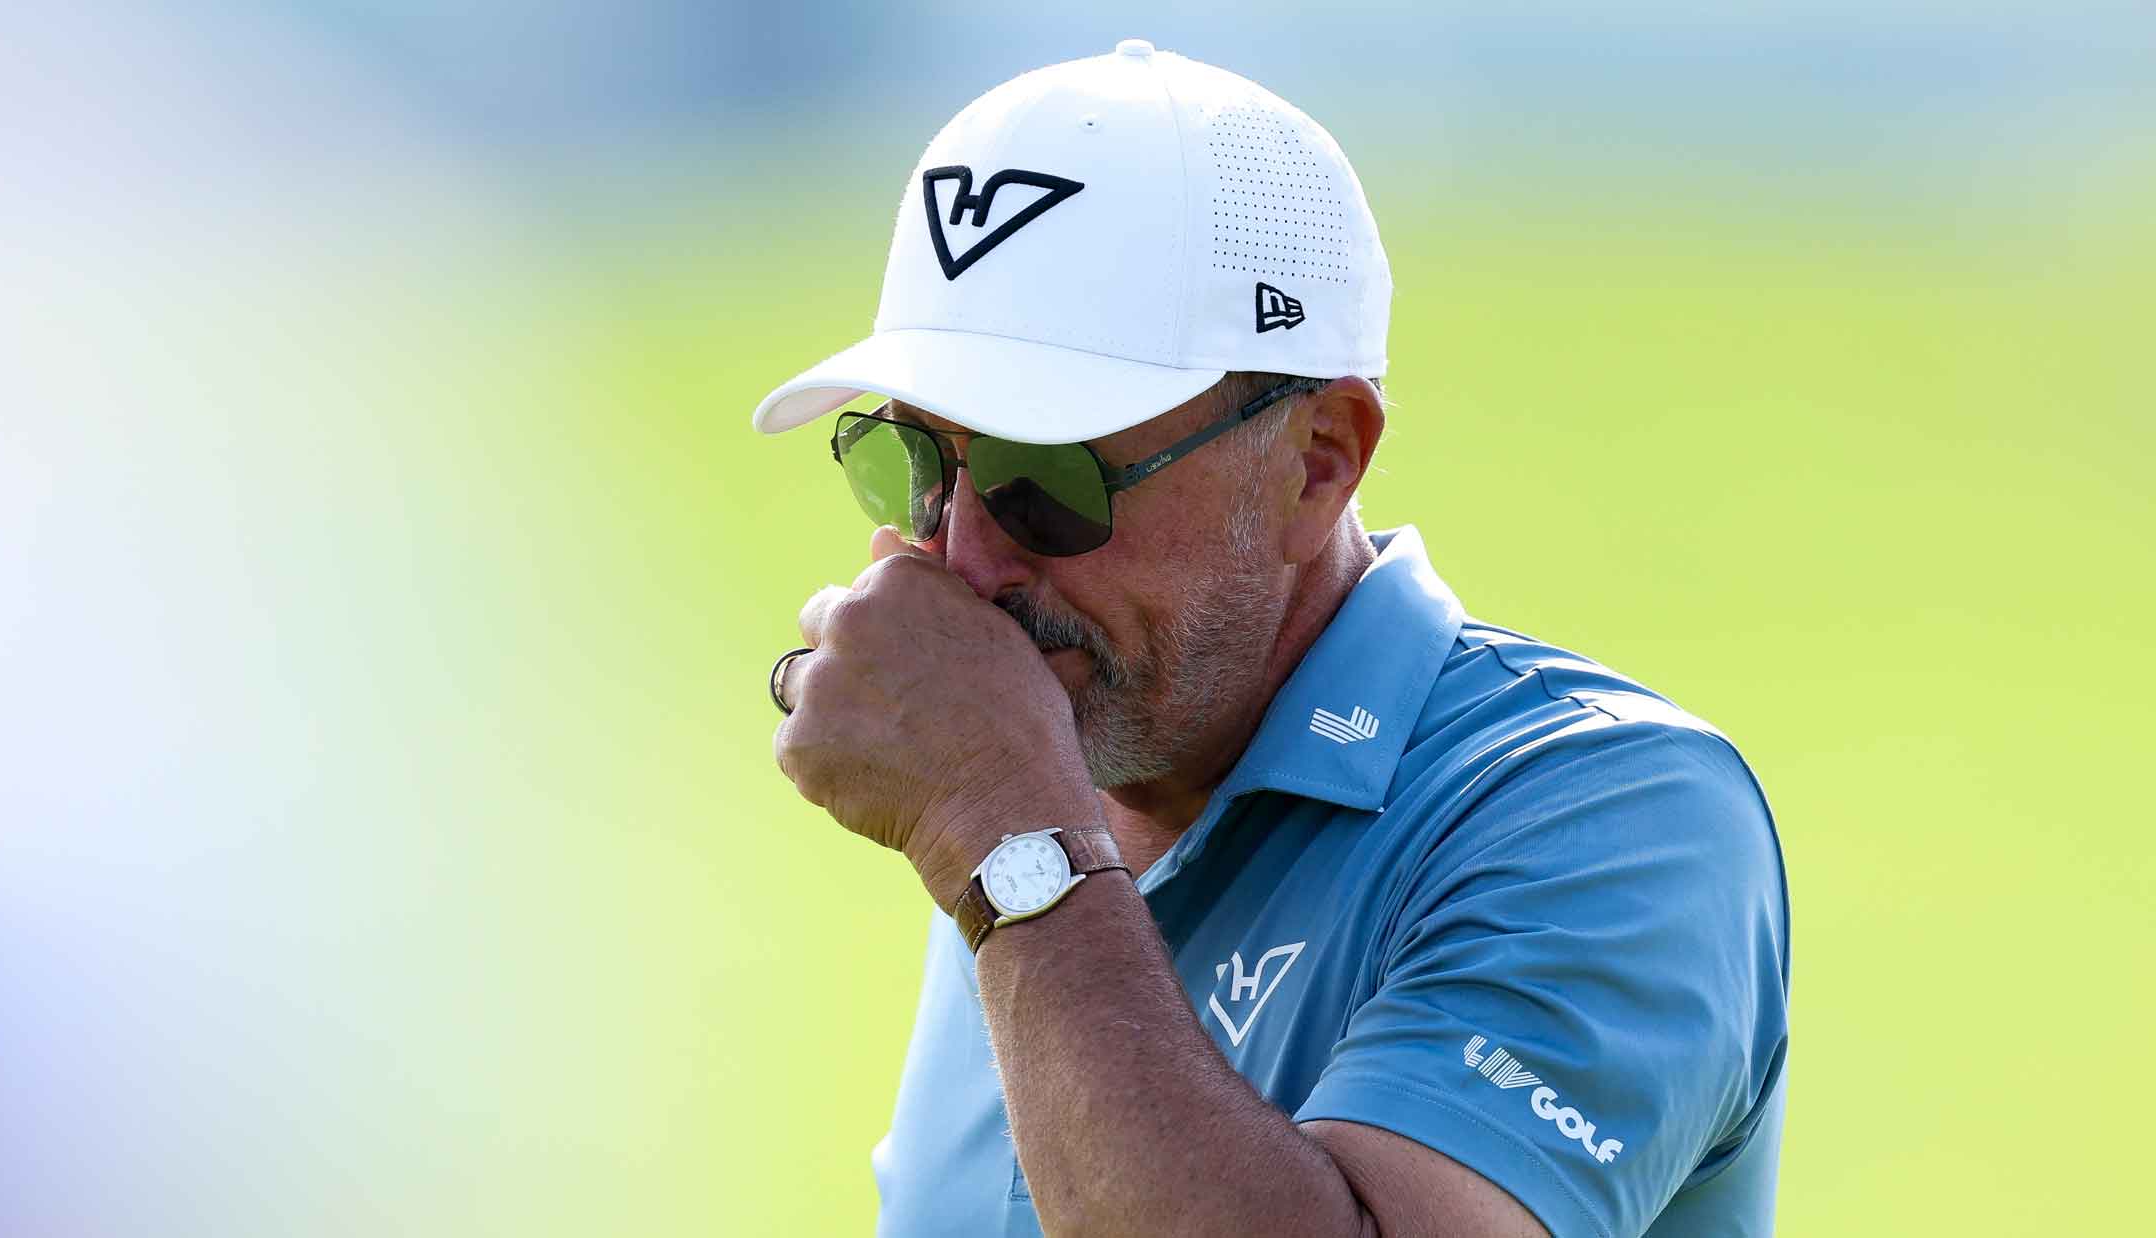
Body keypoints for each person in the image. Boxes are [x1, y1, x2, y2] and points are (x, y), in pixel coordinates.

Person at [752, 39, 1788, 1238]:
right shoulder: (1043, 794)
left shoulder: (1620, 816)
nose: (964, 560)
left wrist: (1011, 844)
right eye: (917, 461)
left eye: (1049, 478)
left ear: (1317, 458)